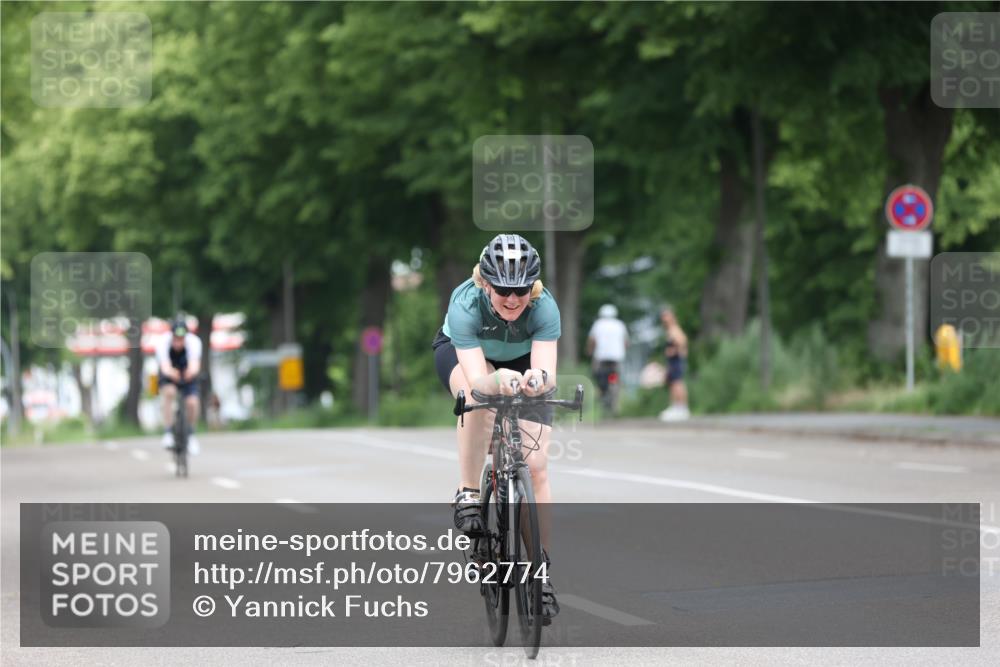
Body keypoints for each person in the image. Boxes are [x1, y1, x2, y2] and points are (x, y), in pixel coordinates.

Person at [431, 233, 561, 621]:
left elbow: (546, 373)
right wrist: (497, 381)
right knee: (480, 402)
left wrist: (537, 382)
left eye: (521, 289)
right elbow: (477, 382)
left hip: (521, 359)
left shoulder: (544, 307)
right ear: (485, 283)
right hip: (466, 356)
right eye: (503, 289)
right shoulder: (465, 304)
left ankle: (540, 574)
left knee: (536, 466)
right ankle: (469, 492)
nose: (512, 299)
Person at [157, 316, 203, 454]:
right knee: (169, 393)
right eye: (176, 338)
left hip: (187, 372)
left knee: (192, 402)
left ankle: (191, 434)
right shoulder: (163, 342)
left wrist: (190, 373)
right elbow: (165, 367)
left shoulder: (194, 342)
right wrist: (173, 373)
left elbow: (195, 365)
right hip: (170, 373)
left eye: (181, 339)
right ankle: (168, 432)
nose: (178, 342)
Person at [586, 304, 628, 415]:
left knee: (597, 375)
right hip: (616, 358)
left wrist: (589, 351)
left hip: (601, 358)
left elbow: (592, 340)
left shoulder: (598, 324)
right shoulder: (620, 325)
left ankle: (602, 393)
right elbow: (626, 342)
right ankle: (615, 402)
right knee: (615, 377)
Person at [658, 305, 690, 421]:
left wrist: (674, 351)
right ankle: (676, 406)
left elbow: (682, 342)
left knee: (677, 383)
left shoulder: (674, 329)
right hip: (672, 361)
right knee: (672, 383)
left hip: (676, 360)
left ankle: (682, 407)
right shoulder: (669, 330)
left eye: (666, 316)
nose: (664, 319)